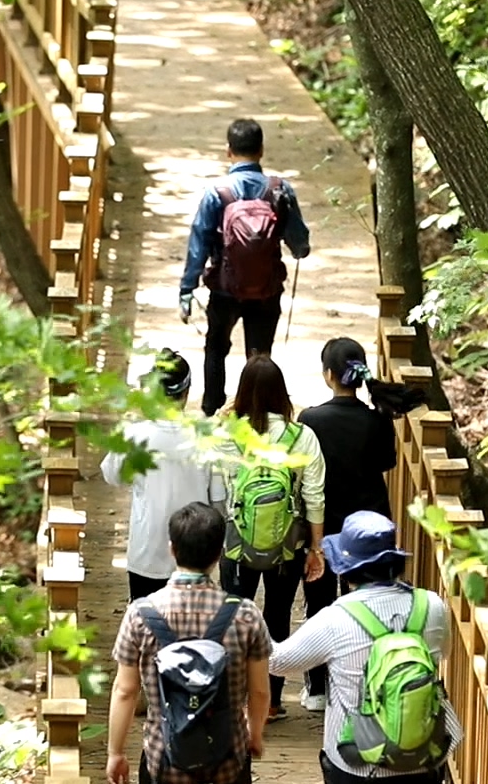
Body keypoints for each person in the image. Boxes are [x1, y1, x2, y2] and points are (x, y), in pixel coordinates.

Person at [268, 511, 450, 784]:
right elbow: (437, 655)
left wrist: (249, 622)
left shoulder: (337, 618)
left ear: (347, 568)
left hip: (353, 763)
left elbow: (278, 660)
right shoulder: (432, 607)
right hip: (420, 758)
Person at [106, 502, 272, 784]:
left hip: (163, 759)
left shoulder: (142, 613)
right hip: (227, 760)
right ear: (220, 552)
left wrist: (115, 752)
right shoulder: (245, 614)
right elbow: (259, 691)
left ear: (171, 548)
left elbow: (125, 690)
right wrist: (254, 735)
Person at [213, 355, 325, 721]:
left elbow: (216, 489)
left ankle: (235, 698)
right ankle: (272, 701)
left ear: (242, 393)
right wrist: (315, 548)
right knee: (276, 616)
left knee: (234, 615)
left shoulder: (229, 434)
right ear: (282, 394)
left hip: (237, 542)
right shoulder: (302, 437)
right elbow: (314, 497)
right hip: (287, 545)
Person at [178, 118, 312, 417]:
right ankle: (257, 413)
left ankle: (213, 409)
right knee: (259, 355)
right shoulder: (279, 189)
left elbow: (198, 242)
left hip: (225, 289)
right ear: (261, 150)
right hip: (266, 289)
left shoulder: (217, 192)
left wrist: (187, 290)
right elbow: (299, 244)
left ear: (229, 151)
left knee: (216, 348)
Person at [294, 338, 401, 711]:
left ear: (328, 376)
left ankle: (319, 688)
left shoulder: (311, 419)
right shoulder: (377, 418)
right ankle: (365, 679)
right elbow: (387, 463)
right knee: (367, 602)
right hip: (369, 523)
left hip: (324, 523)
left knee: (320, 604)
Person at [102, 350, 229, 602]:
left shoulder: (135, 435)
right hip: (194, 554)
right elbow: (218, 501)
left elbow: (111, 475)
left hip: (146, 551)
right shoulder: (204, 438)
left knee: (145, 625)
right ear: (187, 392)